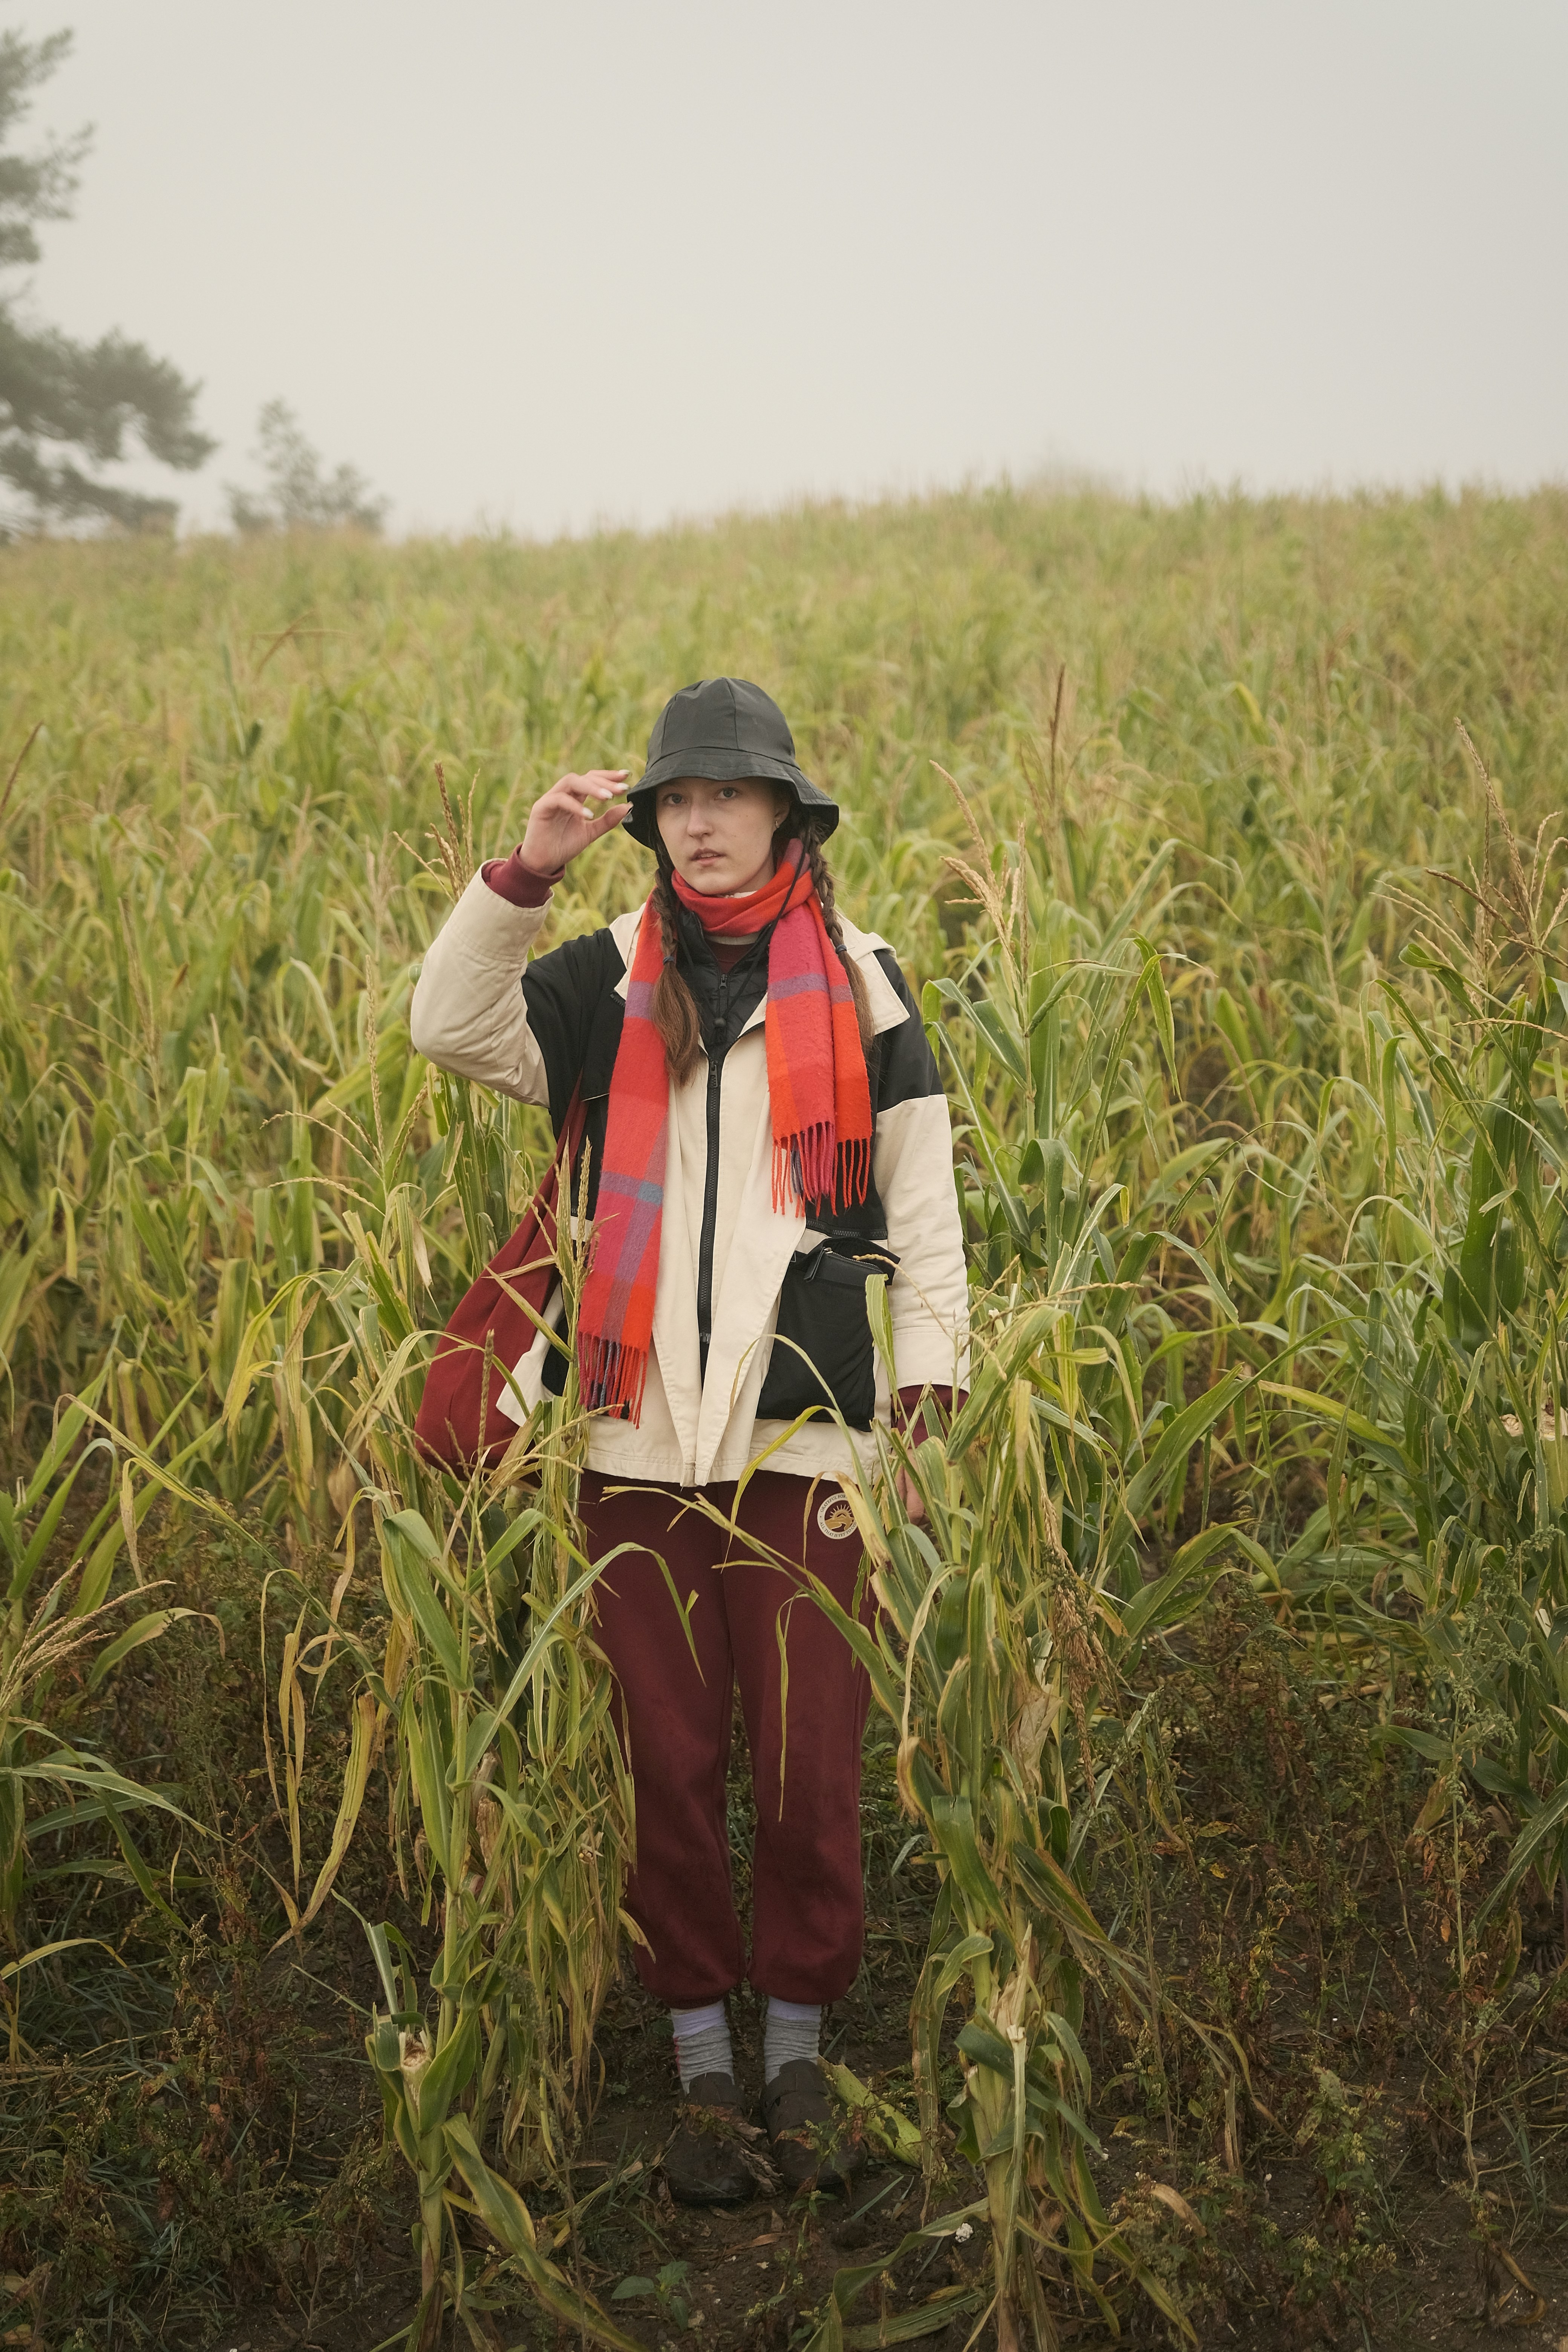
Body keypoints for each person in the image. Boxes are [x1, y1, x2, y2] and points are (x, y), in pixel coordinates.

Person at [409, 677, 967, 2201]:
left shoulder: (863, 982)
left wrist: (921, 1412)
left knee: (806, 1760)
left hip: (810, 1441)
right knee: (666, 1758)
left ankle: (794, 2048)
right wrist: (521, 873)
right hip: (630, 1446)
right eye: (675, 800)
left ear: (786, 810)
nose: (700, 823)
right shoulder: (599, 979)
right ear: (649, 822)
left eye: (727, 795)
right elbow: (445, 1025)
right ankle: (701, 2076)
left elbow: (920, 1211)